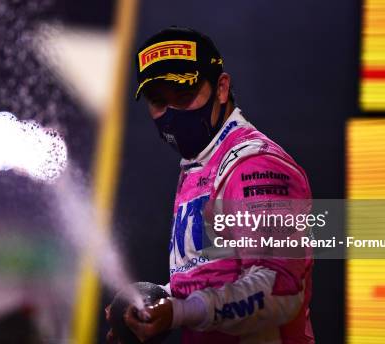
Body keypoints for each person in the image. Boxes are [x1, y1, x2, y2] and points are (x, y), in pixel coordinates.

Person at [106, 27, 314, 343]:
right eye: (158, 101)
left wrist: (179, 312)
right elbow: (213, 275)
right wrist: (155, 299)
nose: (171, 113)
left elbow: (279, 289)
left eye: (184, 95)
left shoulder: (254, 164)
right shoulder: (202, 164)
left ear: (221, 88)